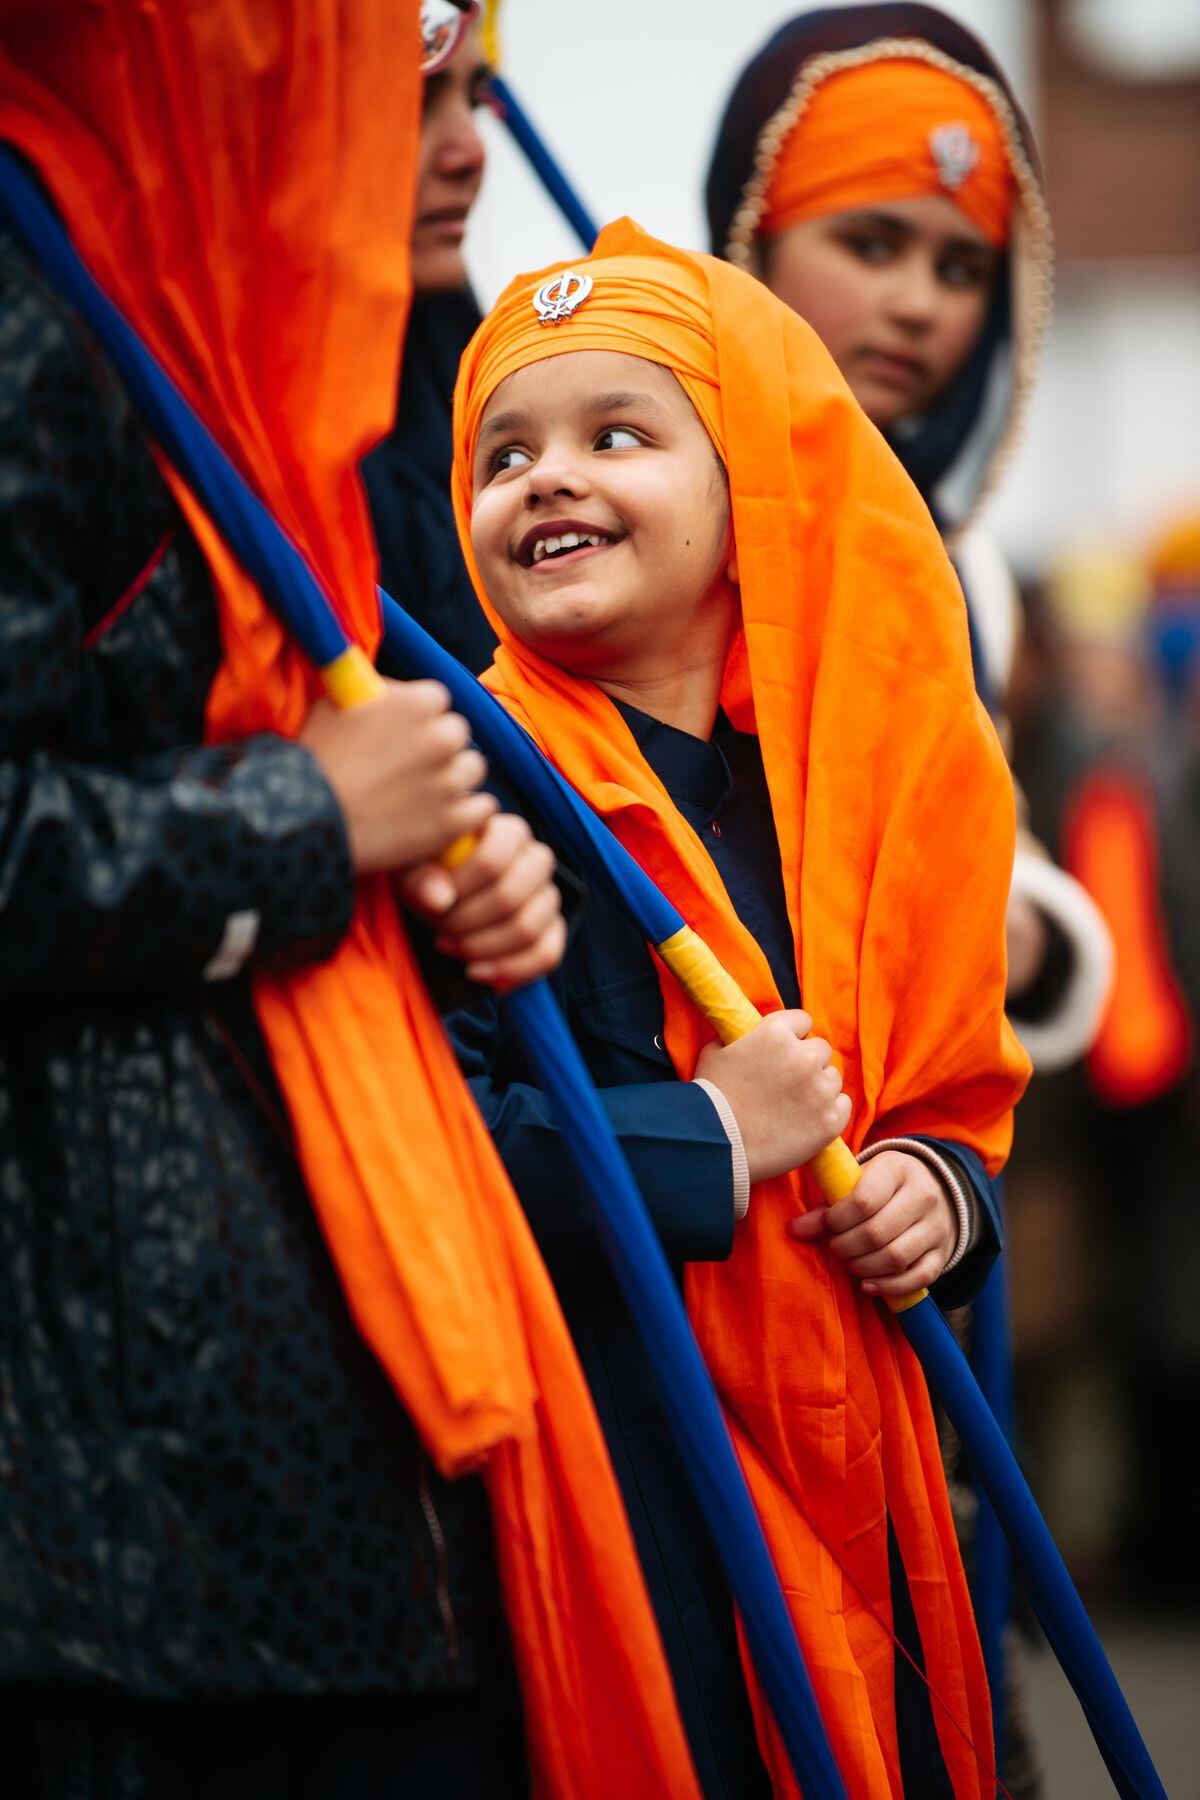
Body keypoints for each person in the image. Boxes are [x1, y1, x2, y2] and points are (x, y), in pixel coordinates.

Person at [0, 7, 700, 1796]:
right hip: (126, 1511)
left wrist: (405, 875)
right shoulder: (50, 293)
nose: (458, 144)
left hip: (274, 1457)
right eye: (396, 87)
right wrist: (313, 821)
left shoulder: (216, 339)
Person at [442, 218, 1030, 1798]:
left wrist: (942, 1197)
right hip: (625, 1488)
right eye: (503, 455)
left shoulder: (843, 801)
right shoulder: (459, 791)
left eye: (616, 434)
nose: (546, 478)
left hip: (870, 1488)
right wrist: (707, 1134)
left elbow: (951, 1095)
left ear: (750, 488)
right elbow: (425, 1158)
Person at [705, 2, 1112, 1074]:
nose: (919, 304)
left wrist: (1021, 933)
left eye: (961, 268)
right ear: (753, 239)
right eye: (871, 243)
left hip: (923, 1163)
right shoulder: (650, 518)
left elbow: (988, 852)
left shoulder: (968, 571)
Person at [364, 4, 499, 673]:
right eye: (413, 98)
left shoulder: (477, 387)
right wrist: (313, 779)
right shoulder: (132, 403)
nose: (470, 153)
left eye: (473, 100)